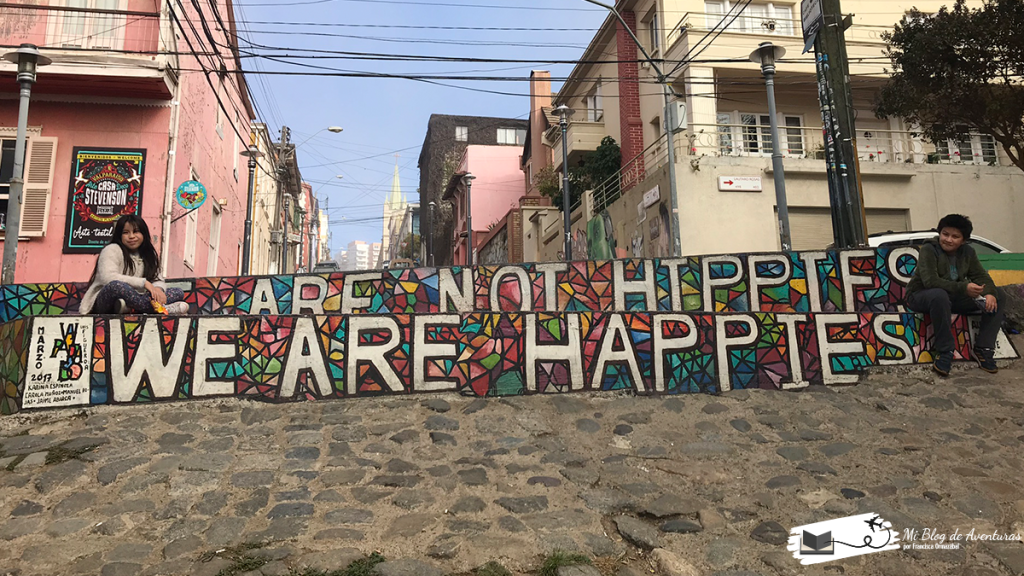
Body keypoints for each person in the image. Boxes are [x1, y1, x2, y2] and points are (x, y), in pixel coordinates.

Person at [905, 214, 1004, 376]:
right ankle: (945, 352)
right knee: (939, 295)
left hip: (950, 297)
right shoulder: (929, 249)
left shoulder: (968, 252)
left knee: (999, 294)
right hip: (920, 296)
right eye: (945, 234)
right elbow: (930, 281)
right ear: (940, 233)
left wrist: (990, 293)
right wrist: (964, 288)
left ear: (963, 240)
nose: (948, 240)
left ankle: (983, 348)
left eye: (955, 236)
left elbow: (981, 276)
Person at [78, 214, 189, 315]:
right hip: (104, 302)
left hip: (135, 299)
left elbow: (157, 279)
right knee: (115, 286)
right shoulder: (112, 250)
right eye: (126, 232)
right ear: (119, 235)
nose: (131, 236)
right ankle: (161, 309)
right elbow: (108, 277)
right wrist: (144, 283)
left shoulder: (148, 255)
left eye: (136, 231)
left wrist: (158, 290)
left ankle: (130, 307)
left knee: (178, 292)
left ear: (144, 234)